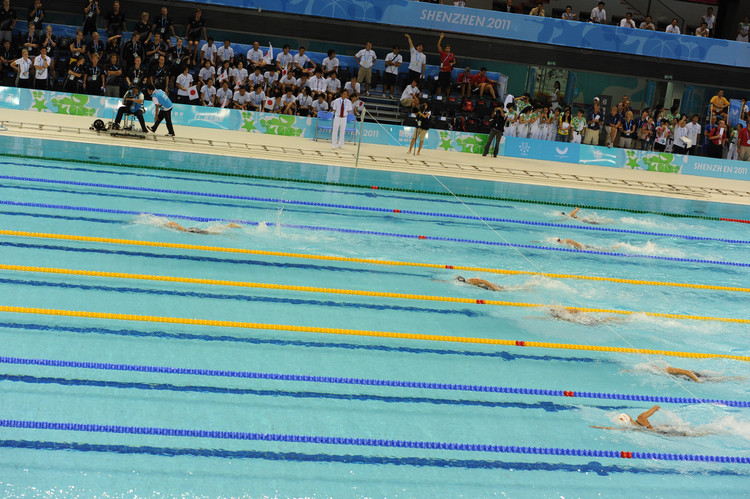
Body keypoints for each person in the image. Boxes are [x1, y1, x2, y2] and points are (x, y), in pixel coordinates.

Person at [436, 33, 455, 97]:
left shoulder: (452, 55)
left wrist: (452, 63)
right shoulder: (442, 53)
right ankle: (438, 97)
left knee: (448, 86)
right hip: (442, 72)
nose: (448, 49)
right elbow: (438, 45)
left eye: (449, 48)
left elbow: (455, 61)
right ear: (445, 49)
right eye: (447, 48)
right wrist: (441, 38)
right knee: (439, 86)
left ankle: (447, 98)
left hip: (448, 72)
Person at [165, 220, 242, 235]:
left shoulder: (169, 224)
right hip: (191, 229)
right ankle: (229, 226)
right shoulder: (170, 223)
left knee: (212, 232)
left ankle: (230, 226)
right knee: (210, 230)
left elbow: (173, 224)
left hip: (191, 230)